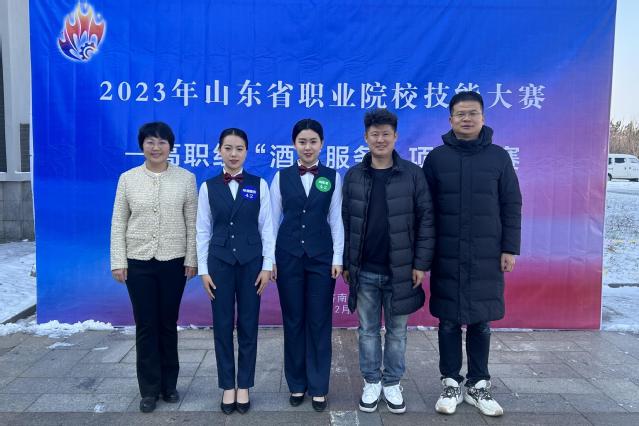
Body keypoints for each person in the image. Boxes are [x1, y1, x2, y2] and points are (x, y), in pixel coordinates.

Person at [422, 91, 522, 417]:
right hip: (447, 253)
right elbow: (425, 211)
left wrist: (510, 248)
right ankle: (451, 383)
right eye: (460, 114)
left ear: (483, 118)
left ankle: (479, 384)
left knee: (481, 321)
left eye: (473, 113)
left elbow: (511, 204)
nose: (467, 119)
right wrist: (425, 253)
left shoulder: (498, 157)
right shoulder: (437, 159)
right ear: (450, 119)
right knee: (448, 321)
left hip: (486, 254)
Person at [342, 108, 435, 414]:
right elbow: (345, 223)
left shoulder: (412, 174)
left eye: (385, 134)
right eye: (374, 134)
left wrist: (420, 264)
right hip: (365, 271)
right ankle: (372, 381)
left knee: (397, 333)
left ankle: (392, 383)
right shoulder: (354, 175)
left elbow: (426, 220)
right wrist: (347, 263)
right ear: (366, 137)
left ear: (395, 136)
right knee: (367, 331)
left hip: (401, 271)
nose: (380, 139)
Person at [110, 121, 198, 413]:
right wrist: (118, 261)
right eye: (150, 142)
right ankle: (148, 389)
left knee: (168, 323)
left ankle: (169, 385)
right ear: (142, 146)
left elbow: (192, 222)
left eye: (162, 142)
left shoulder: (185, 179)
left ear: (170, 146)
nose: (156, 147)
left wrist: (191, 259)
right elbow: (119, 222)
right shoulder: (128, 179)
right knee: (146, 324)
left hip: (174, 261)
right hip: (138, 261)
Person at [196, 128, 274, 415]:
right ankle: (227, 385)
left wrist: (267, 266)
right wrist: (203, 270)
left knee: (248, 325)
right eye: (228, 148)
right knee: (222, 325)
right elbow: (202, 230)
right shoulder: (208, 187)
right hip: (219, 264)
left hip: (252, 264)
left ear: (246, 152)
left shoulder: (258, 184)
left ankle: (244, 385)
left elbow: (267, 228)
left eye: (239, 148)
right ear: (219, 150)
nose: (233, 153)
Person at [270, 118, 344, 412]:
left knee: (319, 321)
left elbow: (336, 220)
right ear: (294, 144)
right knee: (293, 320)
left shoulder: (332, 177)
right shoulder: (281, 177)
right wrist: (269, 260)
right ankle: (297, 383)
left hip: (321, 259)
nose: (308, 147)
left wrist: (337, 258)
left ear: (322, 144)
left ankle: (319, 386)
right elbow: (271, 221)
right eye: (302, 142)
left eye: (313, 141)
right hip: (288, 257)